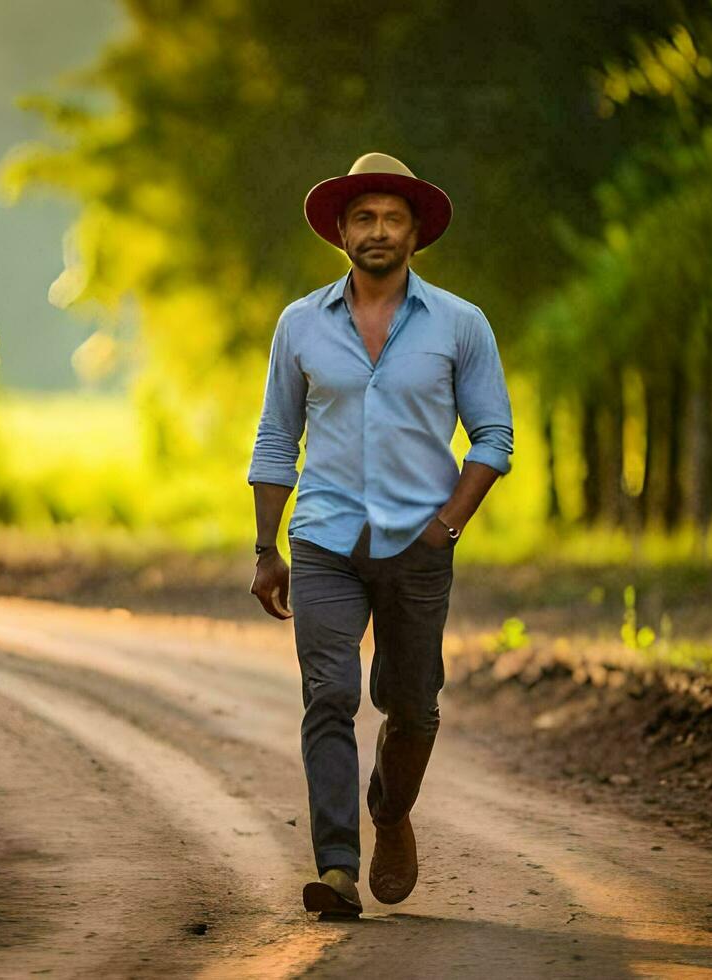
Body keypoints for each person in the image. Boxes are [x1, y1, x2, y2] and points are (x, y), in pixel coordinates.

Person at [246, 152, 514, 917]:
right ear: (340, 230)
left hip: (418, 548)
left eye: (394, 218)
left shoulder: (461, 325)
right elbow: (275, 441)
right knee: (328, 695)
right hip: (326, 541)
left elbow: (492, 436)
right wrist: (268, 548)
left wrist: (446, 525)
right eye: (364, 217)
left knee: (413, 704)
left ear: (416, 233)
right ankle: (336, 866)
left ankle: (391, 814)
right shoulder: (300, 325)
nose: (379, 230)